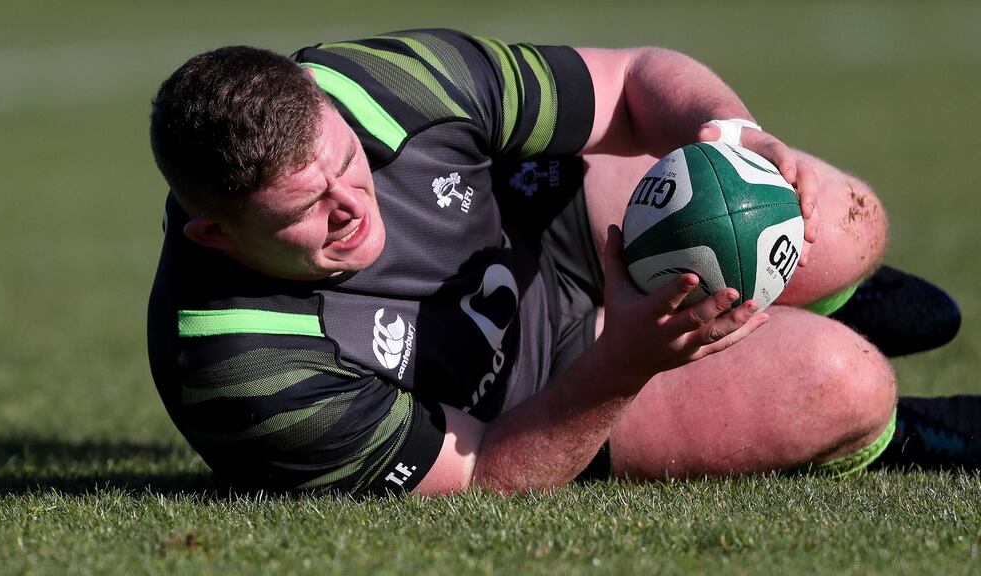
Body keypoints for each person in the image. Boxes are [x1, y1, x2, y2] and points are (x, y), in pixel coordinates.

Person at [147, 28, 970, 497]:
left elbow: (634, 79)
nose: (353, 205)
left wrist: (733, 135)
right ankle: (892, 432)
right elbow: (480, 472)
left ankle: (818, 293)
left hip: (556, 222)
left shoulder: (385, 85)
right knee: (844, 385)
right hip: (546, 389)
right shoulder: (249, 370)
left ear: (326, 105)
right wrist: (624, 363)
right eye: (304, 210)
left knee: (842, 224)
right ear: (215, 236)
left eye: (346, 162)